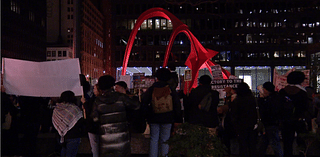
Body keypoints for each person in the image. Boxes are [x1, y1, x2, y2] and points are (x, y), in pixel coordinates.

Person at [91, 75, 140, 157]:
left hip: (106, 139)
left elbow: (95, 118)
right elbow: (136, 106)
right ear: (112, 85)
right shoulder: (121, 97)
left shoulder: (98, 101)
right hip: (121, 138)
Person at [141, 68, 182, 157]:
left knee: (154, 139)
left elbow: (144, 103)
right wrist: (177, 118)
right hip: (168, 117)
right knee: (165, 139)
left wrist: (146, 115)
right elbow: (177, 104)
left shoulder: (152, 89)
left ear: (157, 77)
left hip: (153, 117)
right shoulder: (170, 89)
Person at [279, 71, 309, 157]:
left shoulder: (282, 92)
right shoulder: (302, 92)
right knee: (301, 141)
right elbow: (305, 107)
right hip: (299, 120)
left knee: (287, 144)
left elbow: (278, 107)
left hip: (286, 121)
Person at [52, 90, 85, 157]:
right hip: (73, 136)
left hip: (61, 136)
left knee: (63, 153)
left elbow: (54, 121)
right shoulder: (74, 109)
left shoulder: (56, 109)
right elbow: (81, 122)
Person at [230, 82, 258, 157]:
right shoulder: (252, 99)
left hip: (241, 125)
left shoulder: (237, 100)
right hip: (252, 125)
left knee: (243, 145)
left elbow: (234, 114)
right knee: (252, 145)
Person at [257, 82, 283, 157]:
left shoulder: (270, 99)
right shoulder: (276, 97)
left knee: (274, 143)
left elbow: (266, 110)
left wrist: (262, 99)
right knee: (266, 142)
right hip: (271, 123)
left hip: (270, 123)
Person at [81, 84, 100, 157]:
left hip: (93, 127)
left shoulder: (95, 100)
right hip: (101, 127)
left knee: (95, 147)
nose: (93, 90)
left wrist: (85, 103)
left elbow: (90, 112)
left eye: (95, 89)